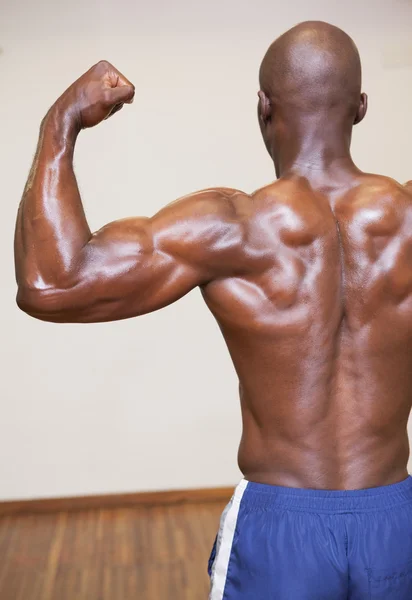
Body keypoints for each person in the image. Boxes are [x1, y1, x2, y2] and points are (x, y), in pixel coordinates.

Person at [14, 19, 412, 600]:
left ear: (262, 108)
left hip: (282, 531)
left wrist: (60, 124)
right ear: (361, 108)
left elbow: (51, 284)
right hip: (395, 524)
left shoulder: (235, 228)